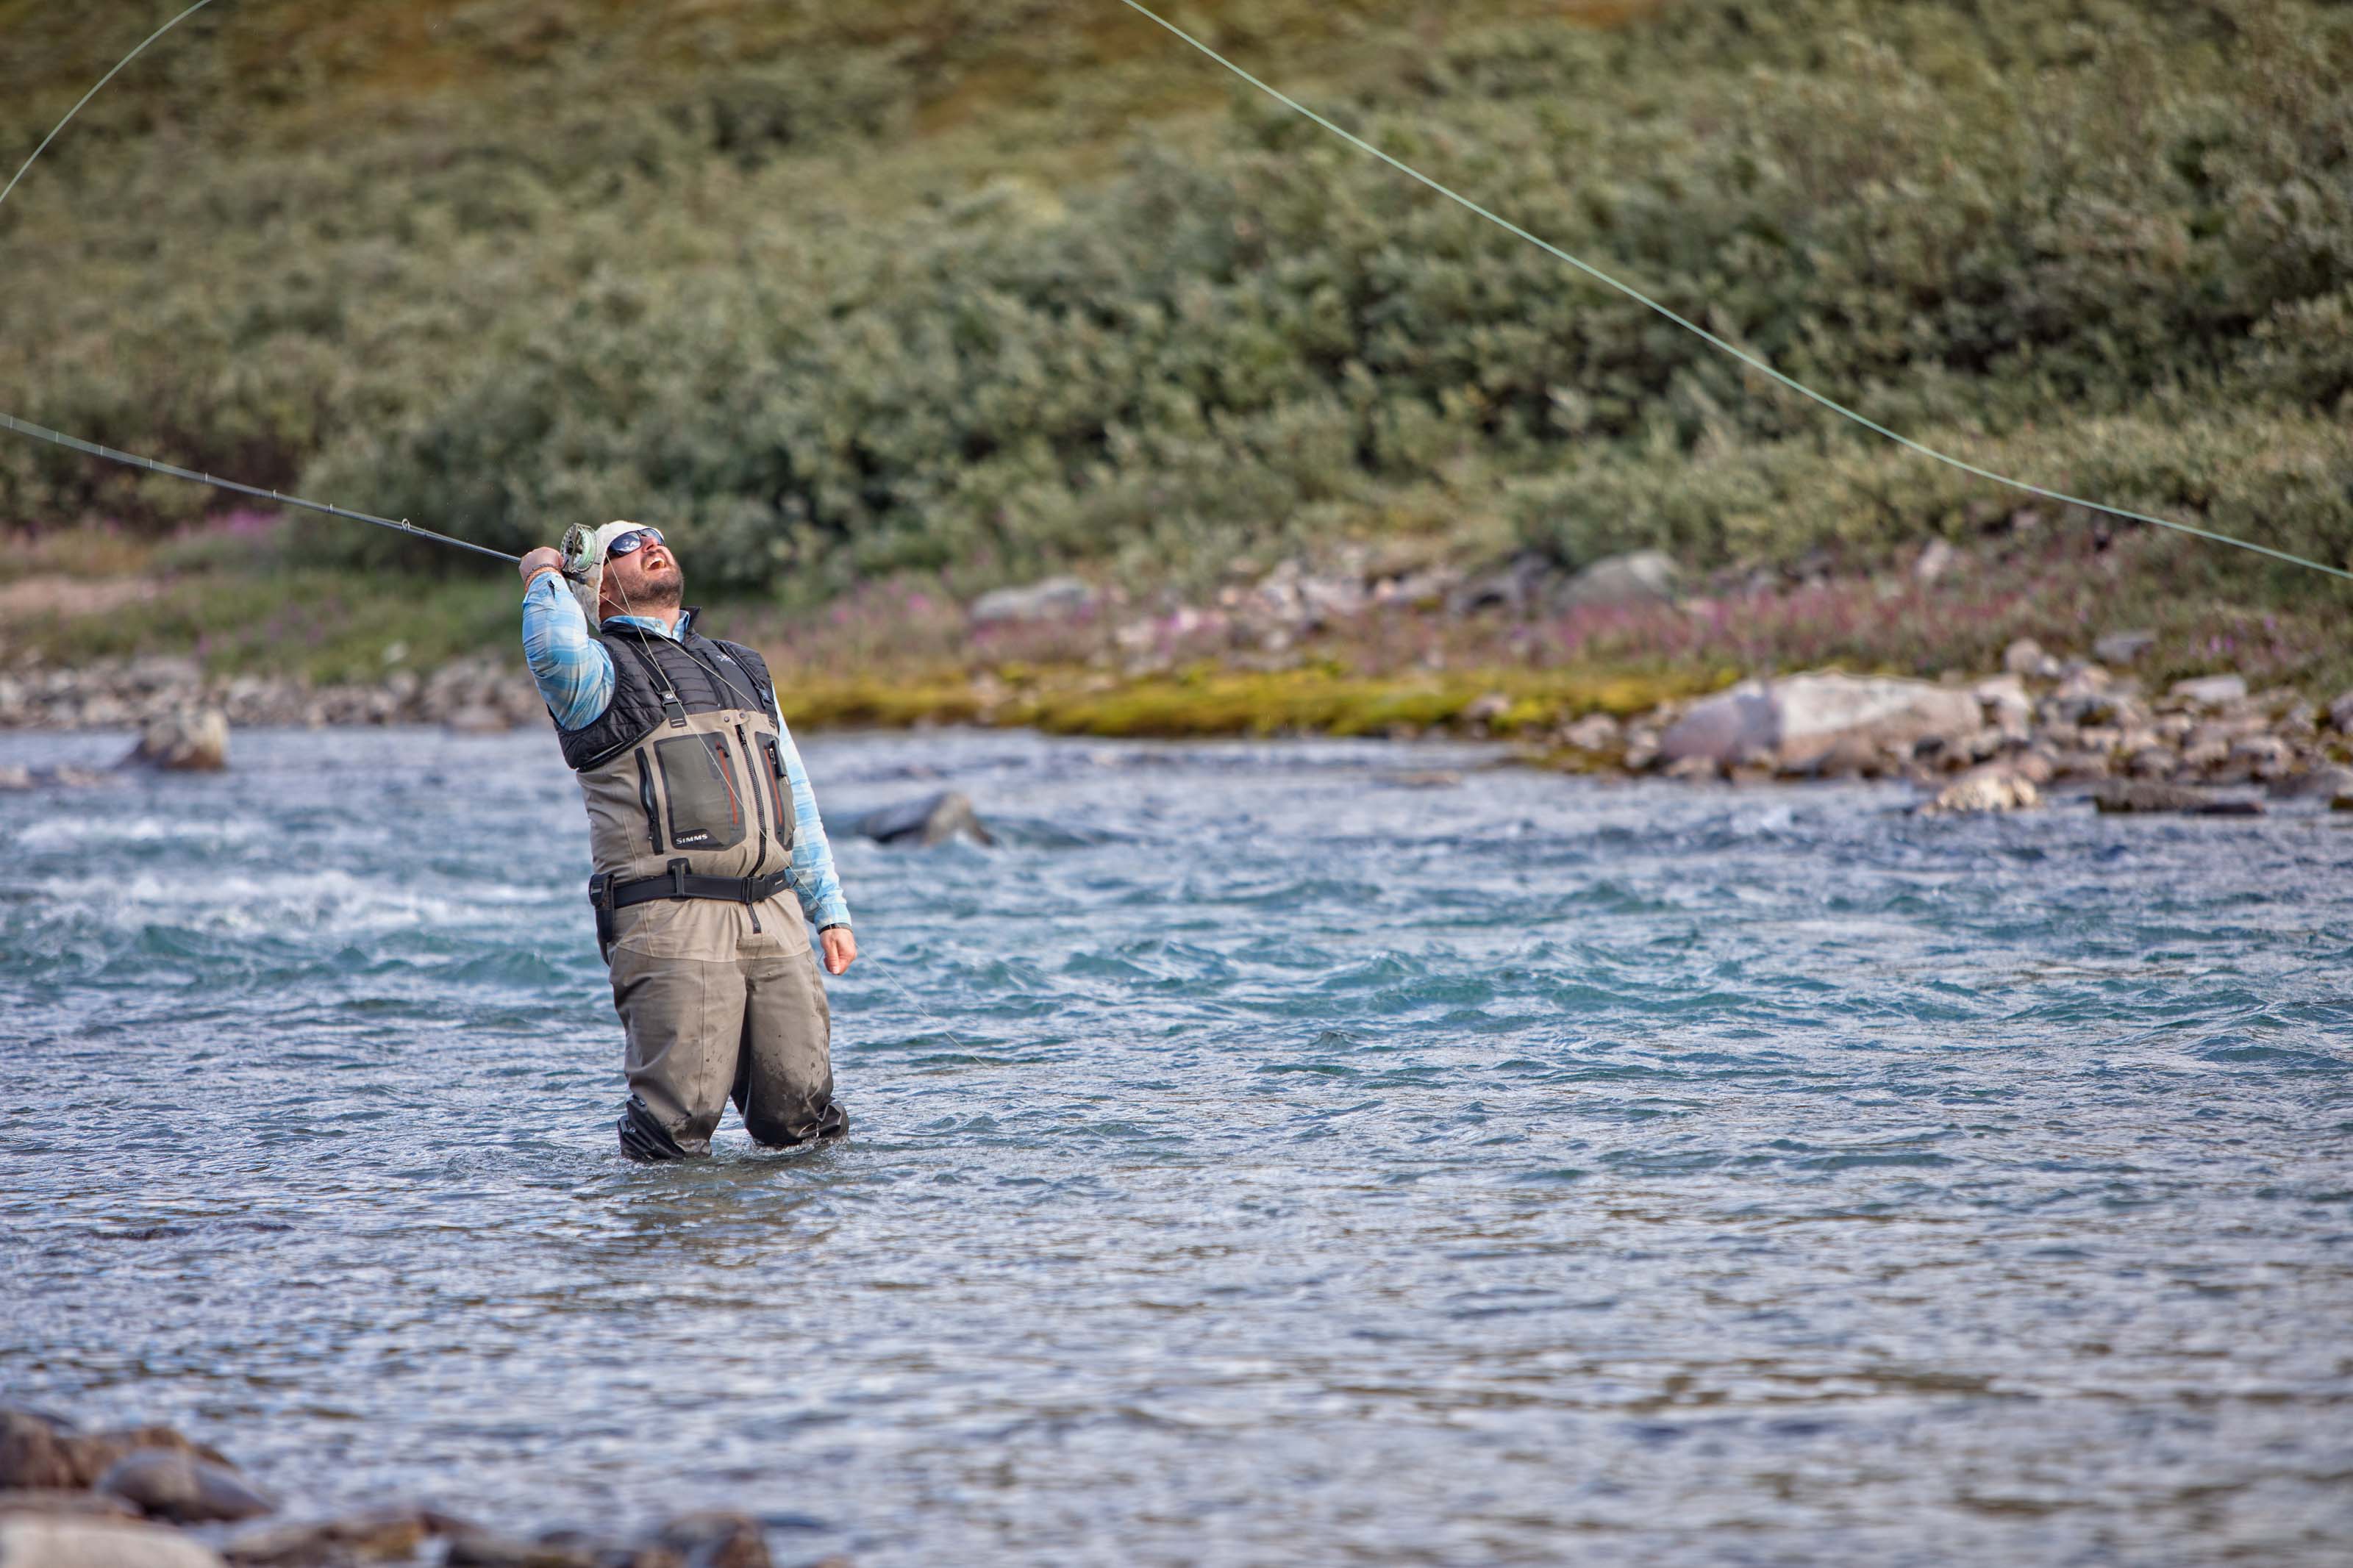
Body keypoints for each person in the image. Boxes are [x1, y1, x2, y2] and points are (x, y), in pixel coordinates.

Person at [515, 522, 856, 1161]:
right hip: (670, 918)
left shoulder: (741, 664)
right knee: (676, 1126)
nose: (651, 544)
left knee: (805, 1119)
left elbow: (797, 793)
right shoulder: (593, 673)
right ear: (596, 586)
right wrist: (542, 574)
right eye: (625, 544)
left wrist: (828, 909)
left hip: (774, 913)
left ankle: (802, 1259)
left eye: (655, 536)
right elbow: (553, 649)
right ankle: (669, 1255)